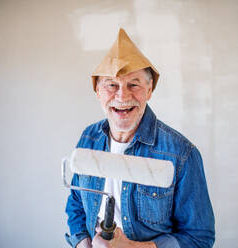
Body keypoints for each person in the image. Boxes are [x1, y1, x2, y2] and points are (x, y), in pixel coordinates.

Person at [65, 28, 215, 248]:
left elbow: (200, 238)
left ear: (149, 89)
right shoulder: (89, 138)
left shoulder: (181, 154)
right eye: (111, 85)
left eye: (133, 84)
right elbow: (76, 203)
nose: (122, 95)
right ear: (98, 91)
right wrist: (82, 244)